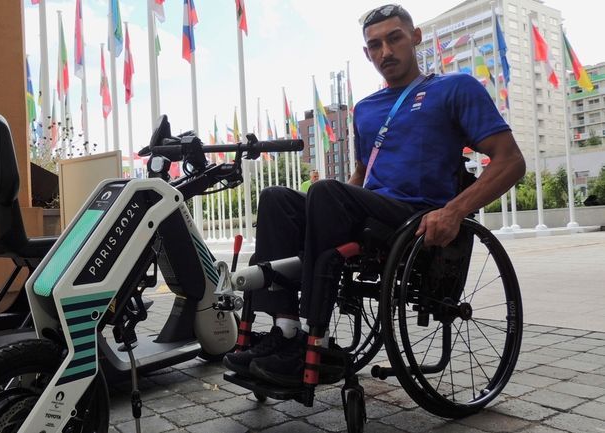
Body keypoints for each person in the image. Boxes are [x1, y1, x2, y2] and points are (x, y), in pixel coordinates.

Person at [224, 4, 526, 386]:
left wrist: (454, 212)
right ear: (367, 53)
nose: (386, 51)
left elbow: (511, 162)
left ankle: (313, 338)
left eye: (395, 38)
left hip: (414, 216)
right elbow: (363, 173)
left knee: (325, 192)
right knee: (276, 199)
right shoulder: (365, 108)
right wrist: (320, 207)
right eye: (375, 45)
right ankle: (285, 332)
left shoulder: (454, 88)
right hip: (371, 209)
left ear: (415, 38)